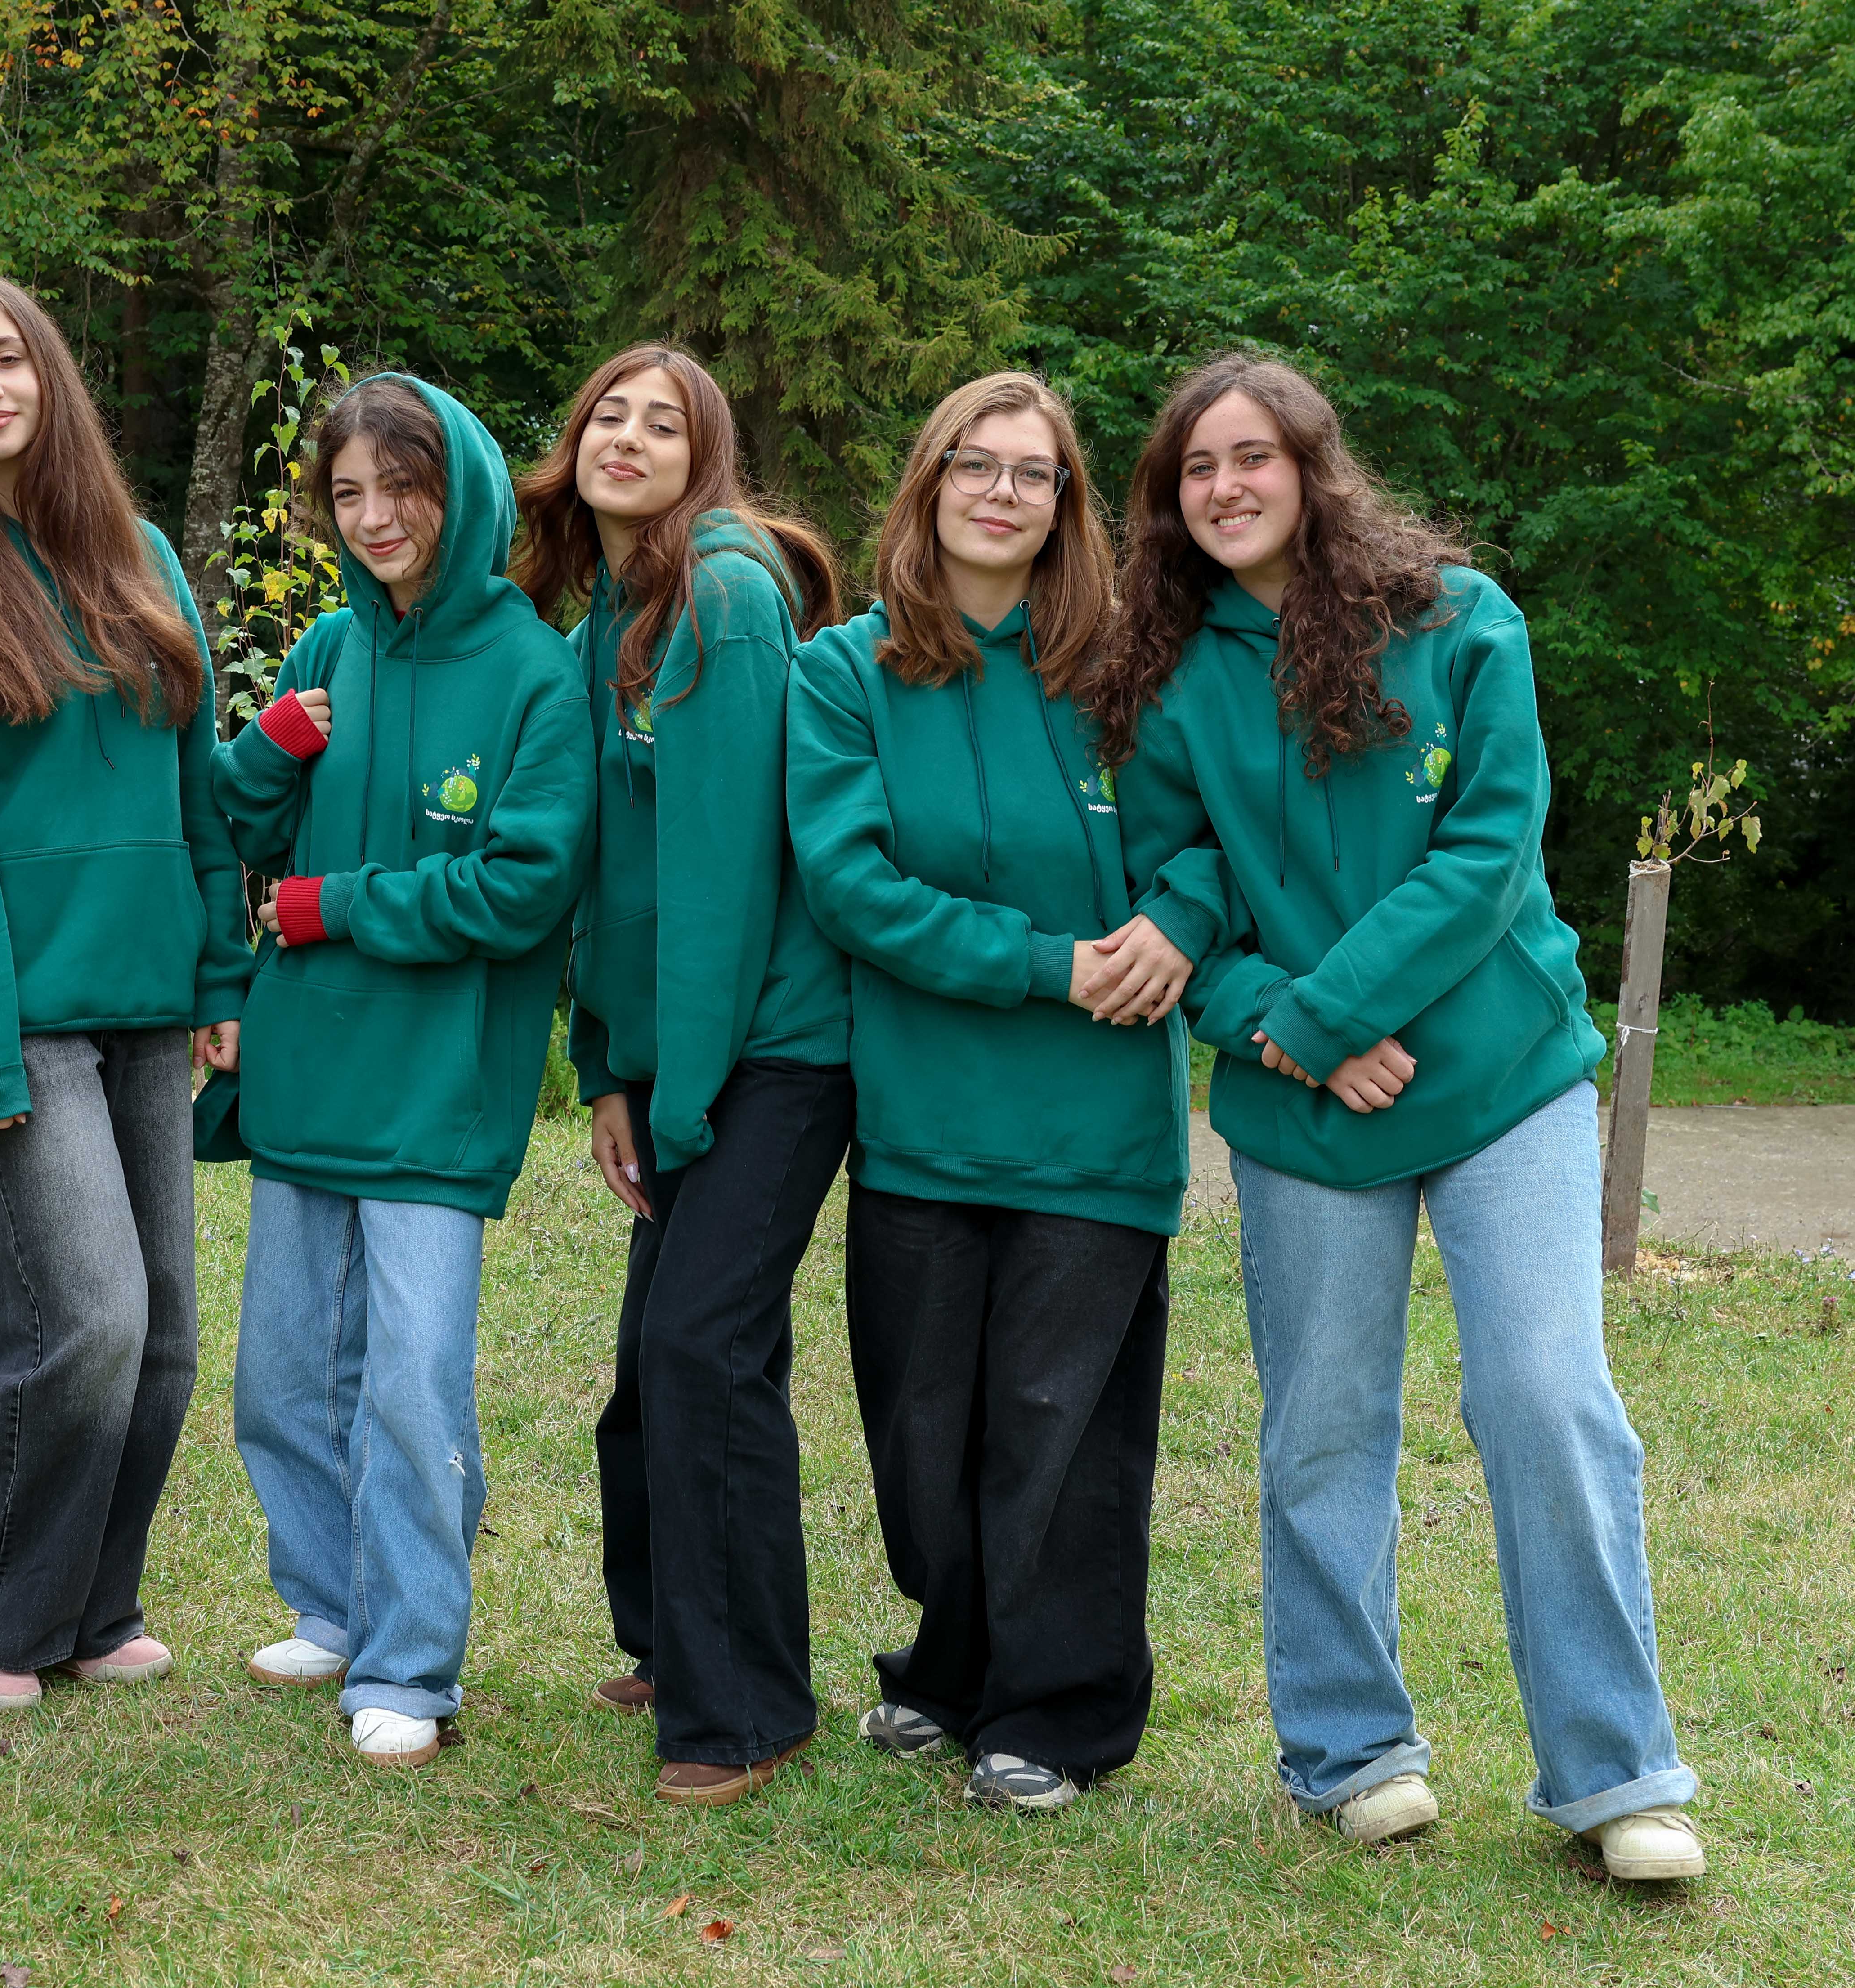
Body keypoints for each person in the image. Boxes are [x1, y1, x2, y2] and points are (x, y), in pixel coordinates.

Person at [1097, 351, 1704, 1881]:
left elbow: (1491, 853)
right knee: (1323, 1423)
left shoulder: (1461, 619)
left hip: (1500, 1078)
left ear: (1312, 465)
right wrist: (1292, 1031)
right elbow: (1175, 904)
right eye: (1195, 468)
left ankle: (1616, 1773)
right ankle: (1350, 1748)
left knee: (1547, 1394)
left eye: (1251, 455)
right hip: (1305, 1110)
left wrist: (1330, 1013)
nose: (1225, 486)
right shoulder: (1166, 677)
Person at [788, 370, 1199, 1814]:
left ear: (1066, 504)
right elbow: (850, 883)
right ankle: (952, 1667)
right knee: (925, 1432)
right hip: (925, 1117)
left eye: (1035, 472)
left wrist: (1181, 918)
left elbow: (1213, 834)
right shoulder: (846, 673)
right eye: (977, 464)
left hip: (1097, 1121)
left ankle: (1059, 1711)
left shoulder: (1127, 670)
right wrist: (1047, 963)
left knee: (1059, 1430)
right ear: (930, 481)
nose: (1003, 492)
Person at [0, 271, 250, 1714]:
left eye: (7, 358)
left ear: (48, 373)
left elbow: (199, 784)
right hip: (18, 1012)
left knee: (167, 1340)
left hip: (151, 999)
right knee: (83, 1320)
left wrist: (222, 967)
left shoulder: (139, 555)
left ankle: (90, 1605)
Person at [212, 373, 593, 1768]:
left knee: (413, 1385)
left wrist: (337, 905)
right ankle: (332, 1604)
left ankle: (411, 1662)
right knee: (284, 1376)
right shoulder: (328, 645)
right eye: (350, 492)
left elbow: (523, 888)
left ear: (464, 490)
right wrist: (271, 748)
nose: (376, 517)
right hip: (310, 1072)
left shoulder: (537, 674)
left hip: (440, 1089)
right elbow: (234, 819)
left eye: (404, 487)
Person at [508, 345, 849, 1805]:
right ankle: (673, 1638)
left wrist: (690, 1098)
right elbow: (608, 875)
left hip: (776, 1045)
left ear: (704, 459)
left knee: (700, 1347)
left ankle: (746, 1708)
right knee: (663, 1363)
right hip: (679, 1054)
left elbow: (721, 876)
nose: (628, 437)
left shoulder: (723, 594)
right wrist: (610, 1070)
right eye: (609, 414)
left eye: (666, 423)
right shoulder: (609, 612)